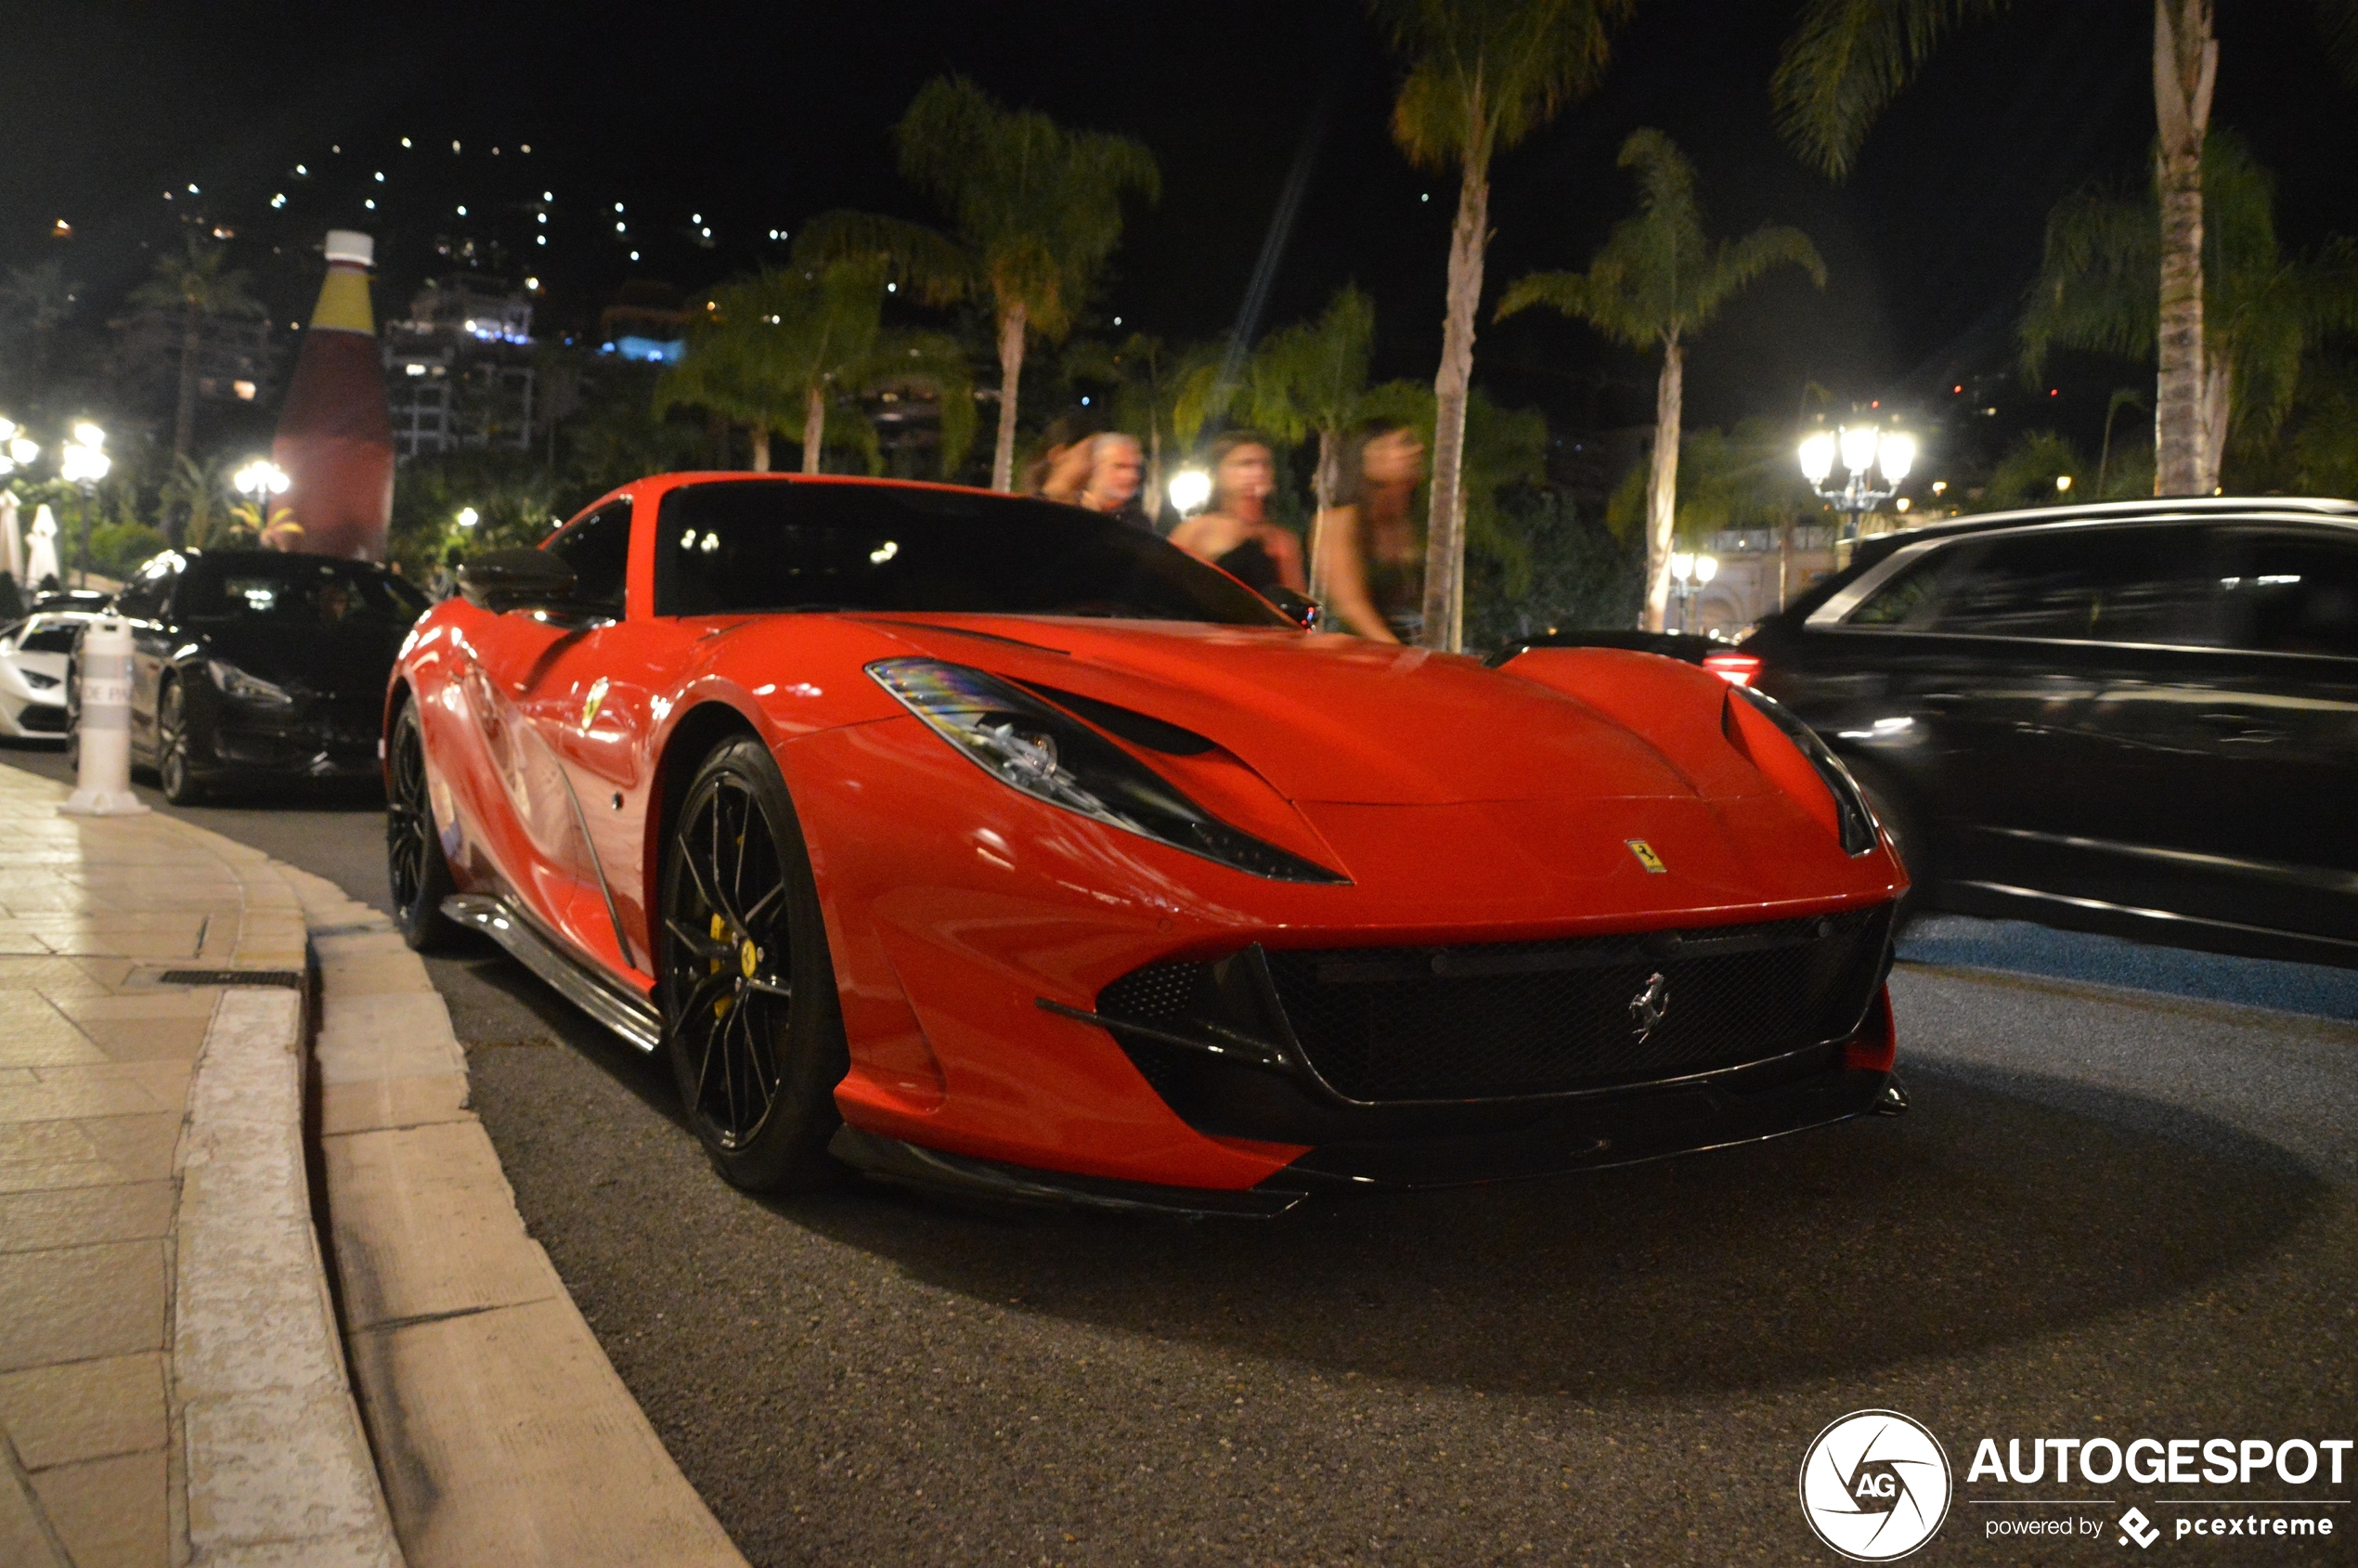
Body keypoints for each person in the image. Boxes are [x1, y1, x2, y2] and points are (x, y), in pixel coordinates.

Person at [1315, 421, 1426, 642]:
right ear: (1366, 457)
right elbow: (1352, 607)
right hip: (1355, 654)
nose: (1415, 450)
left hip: (1409, 652)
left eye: (1411, 443)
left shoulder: (1415, 523)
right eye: (1399, 444)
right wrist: (1401, 655)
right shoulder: (1337, 523)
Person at [1168, 433, 1305, 597]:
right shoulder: (1195, 531)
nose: (1257, 472)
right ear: (1219, 473)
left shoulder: (1282, 539)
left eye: (1265, 465)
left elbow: (1297, 604)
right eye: (1245, 464)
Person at [1021, 412, 1105, 504]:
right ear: (1058, 454)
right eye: (1090, 451)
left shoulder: (1093, 509)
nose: (1097, 463)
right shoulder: (1026, 511)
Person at [1077, 432, 1152, 532]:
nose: (1130, 476)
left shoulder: (1139, 523)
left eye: (1135, 468)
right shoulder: (1070, 510)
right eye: (1120, 466)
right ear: (1095, 467)